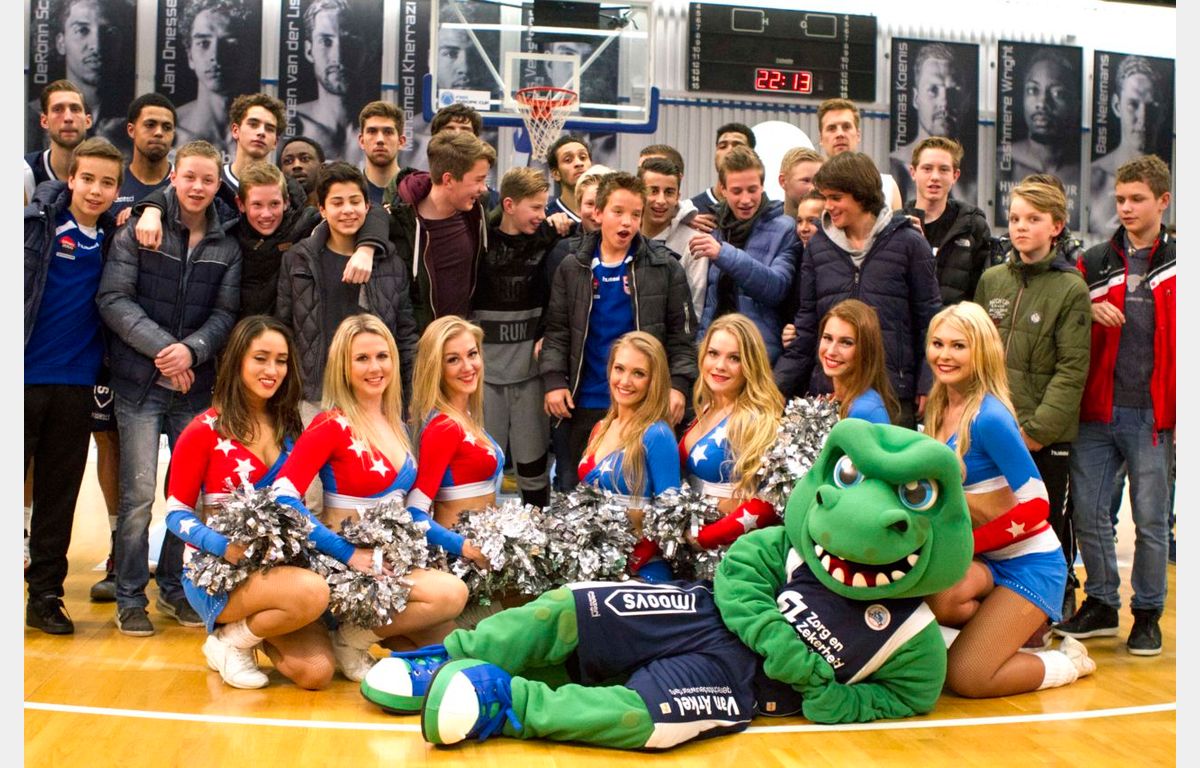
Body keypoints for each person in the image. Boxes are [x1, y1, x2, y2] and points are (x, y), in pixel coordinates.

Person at [272, 314, 470, 680]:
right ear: (343, 368)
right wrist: (347, 553)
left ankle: (359, 634)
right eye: (362, 359)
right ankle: (349, 638)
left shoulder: (397, 423)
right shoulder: (331, 424)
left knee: (454, 648)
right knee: (450, 594)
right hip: (346, 569)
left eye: (382, 356)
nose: (375, 368)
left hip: (388, 567)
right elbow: (283, 498)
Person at [97, 139, 242, 637]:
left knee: (186, 497)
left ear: (218, 184)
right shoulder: (138, 230)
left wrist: (193, 352)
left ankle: (176, 590)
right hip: (138, 383)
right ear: (173, 177)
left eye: (208, 179)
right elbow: (113, 300)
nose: (198, 187)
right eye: (190, 176)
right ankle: (129, 596)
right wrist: (167, 350)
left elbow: (225, 313)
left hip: (194, 388)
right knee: (137, 496)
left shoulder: (227, 245)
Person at [924, 302, 1096, 697]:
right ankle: (1010, 633)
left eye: (958, 346)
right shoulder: (938, 404)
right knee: (935, 598)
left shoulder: (990, 417)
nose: (944, 355)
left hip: (1030, 564)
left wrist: (968, 546)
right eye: (937, 343)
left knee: (967, 678)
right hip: (988, 561)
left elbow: (1037, 505)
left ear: (981, 351)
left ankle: (1067, 662)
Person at [165, 316, 339, 690]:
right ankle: (230, 640)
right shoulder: (203, 430)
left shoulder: (291, 430)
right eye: (261, 358)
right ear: (238, 360)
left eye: (281, 361)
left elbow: (296, 511)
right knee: (312, 592)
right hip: (220, 573)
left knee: (317, 672)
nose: (272, 370)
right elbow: (175, 513)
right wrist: (222, 547)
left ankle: (236, 638)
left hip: (279, 573)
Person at [1055, 155, 1174, 656]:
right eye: (1120, 199)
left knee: (1151, 522)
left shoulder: (1181, 264)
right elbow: (1063, 309)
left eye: (1137, 199)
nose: (1125, 207)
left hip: (1153, 417)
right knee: (1089, 514)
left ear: (1163, 201)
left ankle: (1147, 614)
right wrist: (1085, 305)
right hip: (1097, 413)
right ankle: (1102, 602)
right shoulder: (1095, 261)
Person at [974, 179, 1091, 630]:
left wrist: (1037, 431)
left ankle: (1049, 606)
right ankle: (993, 609)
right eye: (1015, 218)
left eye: (1033, 219)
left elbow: (1071, 370)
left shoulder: (1070, 288)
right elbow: (975, 354)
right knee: (992, 521)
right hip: (992, 431)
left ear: (1056, 226)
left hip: (1042, 437)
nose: (1021, 227)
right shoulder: (992, 281)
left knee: (1044, 525)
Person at [541, 172, 698, 489]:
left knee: (641, 492)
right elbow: (556, 332)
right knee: (575, 492)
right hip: (584, 402)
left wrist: (679, 386)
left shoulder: (665, 267)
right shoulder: (572, 266)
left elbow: (682, 339)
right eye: (618, 212)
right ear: (598, 213)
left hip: (644, 405)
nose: (627, 222)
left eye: (635, 214)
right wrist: (554, 380)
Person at [24, 137, 123, 635]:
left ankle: (45, 596)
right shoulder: (36, 226)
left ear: (117, 190)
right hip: (23, 378)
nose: (96, 190)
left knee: (58, 497)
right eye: (88, 179)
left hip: (77, 386)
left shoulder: (113, 240)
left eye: (107, 182)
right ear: (71, 179)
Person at [774, 152, 941, 428]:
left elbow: (930, 320)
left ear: (862, 195)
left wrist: (928, 380)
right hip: (830, 393)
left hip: (893, 396)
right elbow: (807, 326)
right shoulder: (818, 247)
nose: (828, 206)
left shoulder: (910, 244)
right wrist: (778, 385)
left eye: (836, 198)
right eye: (826, 197)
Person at [277, 162, 417, 417]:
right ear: (322, 209)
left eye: (354, 201)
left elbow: (405, 334)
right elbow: (285, 328)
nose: (348, 210)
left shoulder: (390, 262)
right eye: (337, 203)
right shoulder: (298, 259)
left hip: (377, 394)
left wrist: (410, 394)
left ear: (367, 206)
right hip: (316, 397)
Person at [474, 168, 569, 510]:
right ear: (510, 205)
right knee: (484, 467)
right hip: (485, 375)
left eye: (545, 207)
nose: (543, 214)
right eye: (536, 207)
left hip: (530, 374)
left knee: (533, 465)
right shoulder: (479, 240)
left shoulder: (549, 237)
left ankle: (537, 530)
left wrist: (558, 224)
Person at [577, 332, 681, 580]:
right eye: (619, 369)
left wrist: (625, 568)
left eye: (638, 373)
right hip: (596, 566)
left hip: (642, 571)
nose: (625, 381)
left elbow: (671, 516)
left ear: (653, 381)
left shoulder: (657, 434)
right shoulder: (601, 427)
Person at [680, 314, 784, 550]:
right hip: (690, 550)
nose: (720, 365)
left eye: (734, 358)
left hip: (728, 552)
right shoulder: (707, 407)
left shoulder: (756, 418)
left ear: (751, 365)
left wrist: (707, 538)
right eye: (713, 353)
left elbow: (770, 502)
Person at [691, 145, 799, 363]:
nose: (746, 199)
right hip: (714, 355)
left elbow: (776, 288)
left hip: (758, 356)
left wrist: (723, 253)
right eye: (737, 191)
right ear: (722, 189)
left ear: (763, 186)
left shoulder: (785, 228)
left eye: (752, 189)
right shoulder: (712, 226)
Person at [405, 316, 498, 569]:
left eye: (472, 354)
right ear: (436, 368)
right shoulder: (444, 427)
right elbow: (414, 512)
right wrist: (465, 548)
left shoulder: (466, 416)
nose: (468, 367)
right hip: (459, 563)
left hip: (483, 555)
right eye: (453, 360)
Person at [388, 131, 495, 332]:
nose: (484, 189)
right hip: (417, 344)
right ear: (448, 180)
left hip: (461, 339)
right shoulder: (400, 222)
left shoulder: (477, 213)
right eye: (478, 180)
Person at [905, 136, 994, 305]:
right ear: (913, 172)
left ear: (955, 175)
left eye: (943, 169)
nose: (935, 177)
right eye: (927, 168)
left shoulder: (973, 227)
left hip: (956, 321)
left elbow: (982, 293)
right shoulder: (896, 225)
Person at [1089, 57, 1167, 233]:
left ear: (1162, 111)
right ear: (1117, 106)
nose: (1143, 118)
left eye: (1152, 107)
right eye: (1133, 104)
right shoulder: (1094, 180)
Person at [888, 43, 973, 204]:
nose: (944, 102)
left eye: (954, 91)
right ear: (916, 98)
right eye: (933, 90)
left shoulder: (975, 178)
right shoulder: (891, 169)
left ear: (966, 101)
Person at [290, 0, 369, 164]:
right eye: (326, 41)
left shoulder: (388, 134)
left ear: (367, 50)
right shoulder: (287, 128)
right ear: (309, 51)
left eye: (350, 41)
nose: (338, 56)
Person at [175, 0, 256, 155]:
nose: (216, 56)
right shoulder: (170, 133)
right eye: (203, 43)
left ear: (246, 55)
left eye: (231, 43)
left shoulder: (265, 133)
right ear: (190, 56)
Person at [53, 0, 133, 152]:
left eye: (109, 31)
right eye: (82, 30)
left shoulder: (136, 120)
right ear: (61, 43)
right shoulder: (32, 118)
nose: (96, 45)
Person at [1009, 48, 1081, 194]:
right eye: (1032, 90)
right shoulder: (1001, 164)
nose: (1042, 103)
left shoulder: (1088, 172)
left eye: (1057, 93)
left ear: (1076, 105)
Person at [637, 157, 703, 314]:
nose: (661, 200)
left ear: (678, 197)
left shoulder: (694, 243)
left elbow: (696, 308)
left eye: (669, 192)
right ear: (639, 193)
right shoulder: (624, 236)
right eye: (653, 191)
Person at [816, 300, 898, 424]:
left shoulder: (865, 410)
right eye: (827, 338)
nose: (831, 351)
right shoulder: (836, 398)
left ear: (866, 349)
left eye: (846, 342)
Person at [816, 98, 903, 212]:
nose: (840, 134)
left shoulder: (887, 186)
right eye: (832, 128)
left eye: (846, 127)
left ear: (858, 135)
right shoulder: (812, 187)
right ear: (821, 138)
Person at [111, 94, 177, 219]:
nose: (159, 132)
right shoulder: (112, 183)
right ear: (131, 130)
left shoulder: (183, 185)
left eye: (167, 127)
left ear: (173, 134)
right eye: (150, 125)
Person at [24, 80, 91, 204]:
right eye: (58, 109)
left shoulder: (108, 171)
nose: (68, 118)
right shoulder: (25, 172)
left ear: (88, 121)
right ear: (44, 121)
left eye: (75, 109)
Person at [688, 122, 756, 217]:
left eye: (738, 146)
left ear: (752, 154)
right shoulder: (691, 211)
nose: (729, 150)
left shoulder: (764, 212)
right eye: (723, 146)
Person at [358, 101, 409, 205]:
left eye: (388, 132)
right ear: (362, 141)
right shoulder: (351, 191)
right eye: (372, 131)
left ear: (401, 142)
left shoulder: (416, 191)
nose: (380, 140)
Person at [544, 134, 593, 222]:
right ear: (556, 174)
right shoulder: (546, 217)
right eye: (568, 160)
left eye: (583, 157)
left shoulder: (606, 211)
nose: (578, 163)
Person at [278, 136, 325, 204]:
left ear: (322, 168)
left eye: (305, 159)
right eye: (288, 161)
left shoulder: (335, 208)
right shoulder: (272, 209)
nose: (296, 165)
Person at [778, 147, 823, 218]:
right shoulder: (767, 222)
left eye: (818, 181)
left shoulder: (835, 221)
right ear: (783, 181)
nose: (814, 188)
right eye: (806, 181)